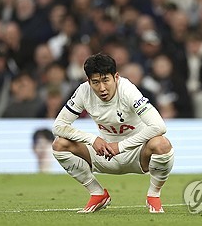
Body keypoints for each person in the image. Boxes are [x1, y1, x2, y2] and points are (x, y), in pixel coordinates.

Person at [52, 53, 174, 213]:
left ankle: (154, 195)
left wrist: (121, 146)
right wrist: (92, 139)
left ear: (116, 77)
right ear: (88, 81)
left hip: (137, 153)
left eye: (105, 80)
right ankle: (97, 193)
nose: (101, 88)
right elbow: (58, 126)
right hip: (105, 153)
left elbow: (159, 126)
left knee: (162, 144)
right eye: (95, 82)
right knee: (59, 144)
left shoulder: (127, 90)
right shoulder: (83, 92)